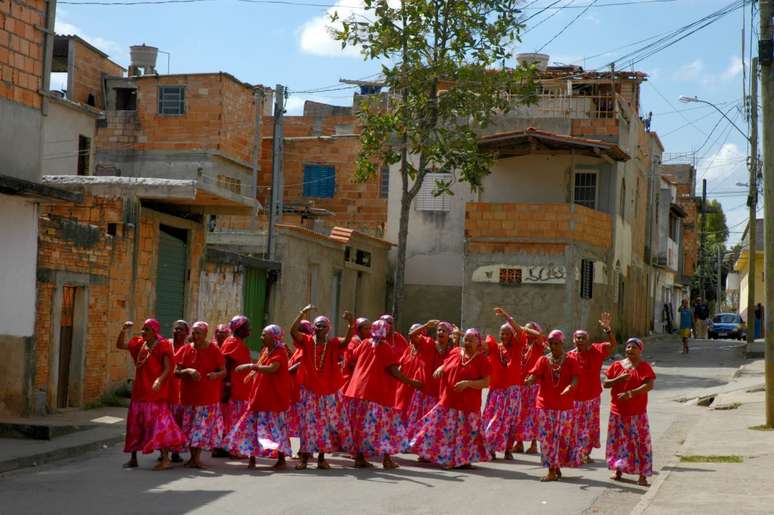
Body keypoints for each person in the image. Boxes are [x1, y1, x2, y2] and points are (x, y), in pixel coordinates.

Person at [344, 319, 423, 469]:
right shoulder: (384, 346)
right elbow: (393, 370)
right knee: (385, 427)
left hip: (358, 391)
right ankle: (387, 459)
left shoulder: (365, 343)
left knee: (361, 426)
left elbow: (353, 357)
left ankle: (360, 458)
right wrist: (411, 382)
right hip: (377, 393)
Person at [410, 328, 491, 469]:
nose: (467, 342)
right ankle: (446, 459)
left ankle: (463, 460)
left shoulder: (482, 360)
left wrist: (468, 383)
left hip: (468, 405)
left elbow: (486, 382)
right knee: (445, 433)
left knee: (466, 435)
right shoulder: (456, 352)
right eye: (466, 339)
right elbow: (448, 362)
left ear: (478, 342)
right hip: (449, 401)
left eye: (471, 340)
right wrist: (442, 367)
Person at [289, 305, 356, 470]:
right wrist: (301, 313)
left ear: (328, 329)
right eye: (317, 325)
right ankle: (303, 459)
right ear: (313, 327)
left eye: (323, 326)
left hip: (327, 391)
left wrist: (350, 324)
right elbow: (292, 331)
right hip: (309, 390)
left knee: (324, 425)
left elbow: (347, 342)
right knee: (307, 425)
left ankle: (321, 459)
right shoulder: (306, 341)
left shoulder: (332, 343)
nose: (320, 328)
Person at [116, 319, 187, 470]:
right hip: (139, 393)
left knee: (158, 426)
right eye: (143, 329)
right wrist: (123, 330)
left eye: (147, 329)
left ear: (155, 331)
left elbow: (168, 368)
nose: (143, 332)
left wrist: (159, 381)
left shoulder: (162, 345)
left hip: (155, 394)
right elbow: (120, 345)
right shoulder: (140, 344)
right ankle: (133, 458)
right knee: (134, 426)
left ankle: (166, 458)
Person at [226, 324, 292, 470]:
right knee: (252, 427)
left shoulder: (280, 352)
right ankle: (252, 459)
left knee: (276, 429)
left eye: (264, 334)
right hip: (259, 395)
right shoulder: (265, 351)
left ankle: (281, 459)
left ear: (274, 337)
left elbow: (272, 369)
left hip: (274, 398)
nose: (261, 337)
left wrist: (250, 366)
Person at [524, 329, 582, 482]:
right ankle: (551, 469)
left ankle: (556, 466)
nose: (554, 346)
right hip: (545, 405)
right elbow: (535, 375)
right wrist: (530, 380)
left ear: (563, 343)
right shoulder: (543, 360)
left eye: (557, 343)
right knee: (547, 439)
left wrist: (571, 387)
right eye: (551, 343)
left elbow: (576, 377)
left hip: (564, 407)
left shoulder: (570, 360)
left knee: (561, 439)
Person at [604, 337, 656, 487]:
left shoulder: (644, 367)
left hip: (636, 413)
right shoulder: (616, 365)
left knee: (639, 443)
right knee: (618, 443)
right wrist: (618, 379)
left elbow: (649, 385)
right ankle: (618, 470)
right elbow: (606, 384)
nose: (630, 350)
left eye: (634, 347)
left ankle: (642, 475)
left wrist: (631, 393)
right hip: (617, 412)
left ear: (640, 350)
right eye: (628, 347)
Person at [175, 321, 226, 469]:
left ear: (205, 334)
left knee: (200, 429)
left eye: (199, 333)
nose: (195, 336)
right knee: (190, 428)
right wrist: (188, 371)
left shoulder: (214, 350)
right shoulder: (185, 350)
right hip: (188, 397)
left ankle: (195, 458)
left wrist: (215, 375)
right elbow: (176, 372)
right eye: (194, 333)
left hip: (207, 398)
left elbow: (223, 371)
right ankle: (193, 458)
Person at [482, 307, 531, 460]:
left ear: (512, 336)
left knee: (511, 421)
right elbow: (478, 345)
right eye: (502, 333)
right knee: (493, 419)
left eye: (507, 333)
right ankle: (490, 448)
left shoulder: (517, 347)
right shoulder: (494, 347)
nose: (504, 336)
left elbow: (521, 332)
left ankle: (507, 449)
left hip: (512, 391)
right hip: (496, 390)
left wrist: (507, 317)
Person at [568, 312, 616, 464]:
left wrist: (608, 330)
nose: (580, 340)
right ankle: (577, 453)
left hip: (592, 397)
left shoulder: (597, 350)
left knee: (590, 427)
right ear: (573, 340)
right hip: (574, 399)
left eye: (583, 338)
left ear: (588, 340)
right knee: (575, 428)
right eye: (578, 338)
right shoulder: (569, 356)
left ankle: (586, 453)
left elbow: (613, 345)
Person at [403, 320, 451, 442]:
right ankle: (415, 445)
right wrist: (425, 326)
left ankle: (427, 450)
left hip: (438, 394)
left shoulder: (452, 351)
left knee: (433, 425)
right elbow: (412, 336)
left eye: (444, 331)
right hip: (423, 392)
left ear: (449, 334)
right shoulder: (428, 343)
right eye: (439, 330)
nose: (440, 332)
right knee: (418, 421)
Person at [212, 315, 253, 459]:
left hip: (240, 389)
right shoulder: (233, 342)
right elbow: (227, 365)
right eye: (246, 326)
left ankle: (223, 447)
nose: (249, 329)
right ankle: (232, 449)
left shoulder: (238, 342)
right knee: (234, 420)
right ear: (239, 329)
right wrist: (227, 386)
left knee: (231, 420)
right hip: (234, 389)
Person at [514, 321, 547, 455]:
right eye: (525, 330)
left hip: (534, 385)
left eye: (529, 330)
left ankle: (533, 444)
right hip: (520, 384)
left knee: (534, 415)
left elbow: (539, 335)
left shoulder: (539, 345)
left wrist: (524, 328)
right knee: (519, 414)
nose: (526, 333)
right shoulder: (522, 344)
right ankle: (519, 442)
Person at [167, 319, 191, 463]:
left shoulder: (188, 348)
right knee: (165, 422)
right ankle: (164, 450)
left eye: (181, 329)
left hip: (181, 390)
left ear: (187, 333)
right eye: (176, 328)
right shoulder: (166, 344)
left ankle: (175, 451)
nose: (177, 331)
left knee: (178, 422)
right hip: (166, 389)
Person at [287, 319, 312, 440]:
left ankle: (298, 450)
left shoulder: (306, 349)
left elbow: (296, 367)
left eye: (301, 332)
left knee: (297, 422)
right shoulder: (299, 350)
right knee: (296, 422)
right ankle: (298, 449)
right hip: (294, 390)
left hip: (301, 391)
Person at [340, 317, 371, 392]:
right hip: (350, 380)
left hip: (360, 380)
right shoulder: (353, 343)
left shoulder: (367, 342)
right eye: (366, 329)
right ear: (358, 330)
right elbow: (351, 363)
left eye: (370, 328)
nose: (369, 331)